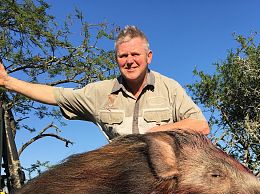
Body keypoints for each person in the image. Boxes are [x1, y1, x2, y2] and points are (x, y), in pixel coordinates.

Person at [0, 26, 209, 141]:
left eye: (135, 54)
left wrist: (157, 132)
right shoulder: (100, 92)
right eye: (123, 56)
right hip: (121, 180)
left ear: (149, 57)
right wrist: (8, 82)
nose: (129, 61)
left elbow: (200, 126)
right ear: (116, 58)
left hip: (165, 180)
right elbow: (56, 95)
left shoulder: (169, 88)